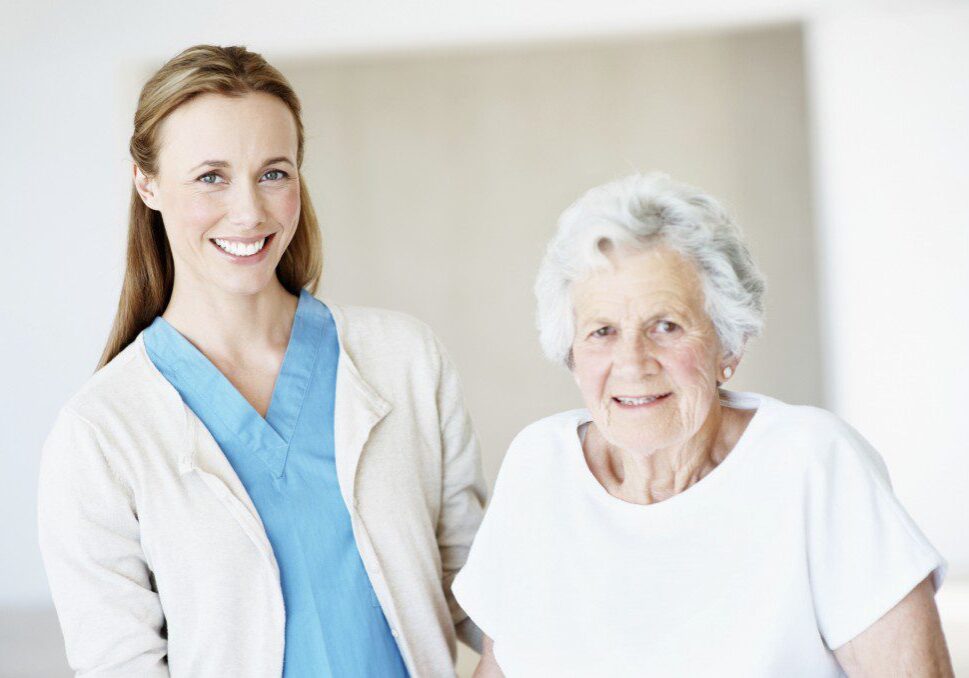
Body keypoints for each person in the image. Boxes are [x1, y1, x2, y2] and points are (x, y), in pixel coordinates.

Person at [37, 45, 485, 678]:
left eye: (273, 173)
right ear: (148, 182)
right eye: (210, 177)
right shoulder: (101, 432)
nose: (248, 212)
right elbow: (118, 663)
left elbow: (481, 586)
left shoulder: (405, 358)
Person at [453, 173, 953, 677]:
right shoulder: (539, 464)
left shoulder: (813, 464)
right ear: (572, 354)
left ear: (728, 345)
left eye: (665, 326)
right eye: (602, 331)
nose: (633, 363)